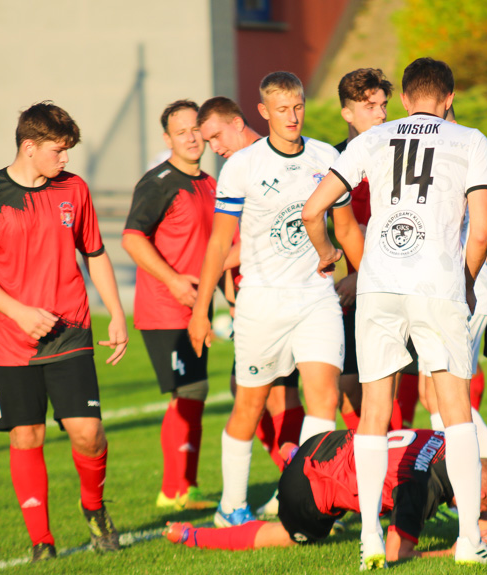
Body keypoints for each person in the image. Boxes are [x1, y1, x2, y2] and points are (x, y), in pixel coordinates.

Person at [303, 57, 487, 568]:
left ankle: (370, 540)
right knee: (455, 411)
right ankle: (468, 542)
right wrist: (469, 282)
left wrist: (327, 255)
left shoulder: (372, 138)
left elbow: (311, 209)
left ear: (407, 99)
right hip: (437, 284)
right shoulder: (471, 140)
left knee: (373, 411)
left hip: (378, 286)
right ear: (448, 99)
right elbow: (480, 232)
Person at [0, 102, 128, 561]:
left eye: (68, 149)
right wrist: (18, 312)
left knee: (88, 433)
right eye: (59, 149)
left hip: (70, 331)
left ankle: (94, 508)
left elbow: (94, 252)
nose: (66, 159)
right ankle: (42, 541)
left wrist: (115, 310)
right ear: (29, 148)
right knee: (26, 436)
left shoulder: (75, 189)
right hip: (9, 339)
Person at [188, 72, 351, 529]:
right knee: (250, 405)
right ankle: (231, 506)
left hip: (317, 297)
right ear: (263, 112)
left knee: (324, 399)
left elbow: (349, 228)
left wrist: (361, 278)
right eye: (282, 109)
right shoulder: (241, 167)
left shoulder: (327, 156)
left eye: (298, 107)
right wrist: (202, 310)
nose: (292, 117)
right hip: (262, 302)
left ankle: (313, 502)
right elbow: (220, 246)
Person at [164, 429, 487, 564]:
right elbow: (398, 554)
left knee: (361, 480)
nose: (476, 511)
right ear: (482, 494)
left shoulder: (448, 441)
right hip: (307, 490)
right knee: (291, 537)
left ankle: (293, 456)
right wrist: (455, 550)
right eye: (484, 506)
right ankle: (192, 535)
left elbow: (468, 484)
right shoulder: (420, 490)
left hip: (324, 441)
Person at [197, 97, 307, 519]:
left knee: (274, 398)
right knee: (271, 397)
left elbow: (263, 234)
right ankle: (293, 487)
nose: (214, 148)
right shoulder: (234, 171)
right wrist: (229, 293)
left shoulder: (273, 161)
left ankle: (287, 491)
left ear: (238, 122)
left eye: (215, 137)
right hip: (252, 302)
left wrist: (218, 263)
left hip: (284, 299)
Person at [122, 100, 218, 511]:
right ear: (168, 139)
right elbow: (131, 238)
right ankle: (172, 490)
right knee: (188, 391)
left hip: (199, 307)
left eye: (196, 128)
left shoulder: (209, 183)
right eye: (182, 132)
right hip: (165, 306)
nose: (192, 137)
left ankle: (187, 487)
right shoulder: (158, 181)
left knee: (196, 392)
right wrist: (174, 280)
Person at [331, 68, 392, 431]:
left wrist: (361, 276)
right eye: (370, 106)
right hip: (353, 291)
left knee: (389, 385)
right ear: (347, 114)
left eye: (383, 105)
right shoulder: (332, 159)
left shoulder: (400, 155)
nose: (382, 114)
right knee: (348, 386)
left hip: (391, 285)